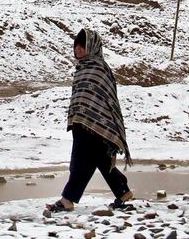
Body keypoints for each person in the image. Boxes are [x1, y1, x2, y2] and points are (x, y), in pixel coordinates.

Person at [45, 28, 134, 214]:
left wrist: (99, 120)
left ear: (92, 47)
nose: (78, 50)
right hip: (81, 122)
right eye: (76, 46)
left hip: (97, 126)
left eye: (82, 46)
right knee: (100, 161)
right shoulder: (81, 69)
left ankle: (67, 200)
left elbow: (107, 99)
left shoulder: (100, 69)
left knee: (79, 163)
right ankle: (122, 191)